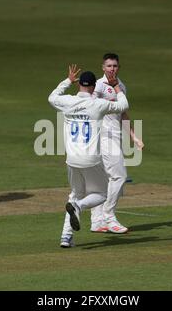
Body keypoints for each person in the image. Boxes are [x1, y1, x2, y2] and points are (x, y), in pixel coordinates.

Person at [48, 65, 129, 248]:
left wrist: (68, 80)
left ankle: (66, 237)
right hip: (91, 159)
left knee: (75, 194)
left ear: (80, 86)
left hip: (72, 160)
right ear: (93, 87)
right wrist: (116, 86)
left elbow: (51, 97)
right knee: (102, 193)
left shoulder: (68, 101)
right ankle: (79, 207)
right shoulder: (97, 104)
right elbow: (123, 105)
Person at [67, 53, 145, 234]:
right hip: (103, 138)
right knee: (119, 176)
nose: (112, 69)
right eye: (109, 66)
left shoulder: (120, 86)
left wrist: (134, 137)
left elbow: (123, 114)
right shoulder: (100, 85)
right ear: (103, 67)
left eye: (115, 66)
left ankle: (97, 222)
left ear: (119, 67)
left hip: (115, 137)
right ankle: (109, 216)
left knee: (101, 183)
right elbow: (88, 104)